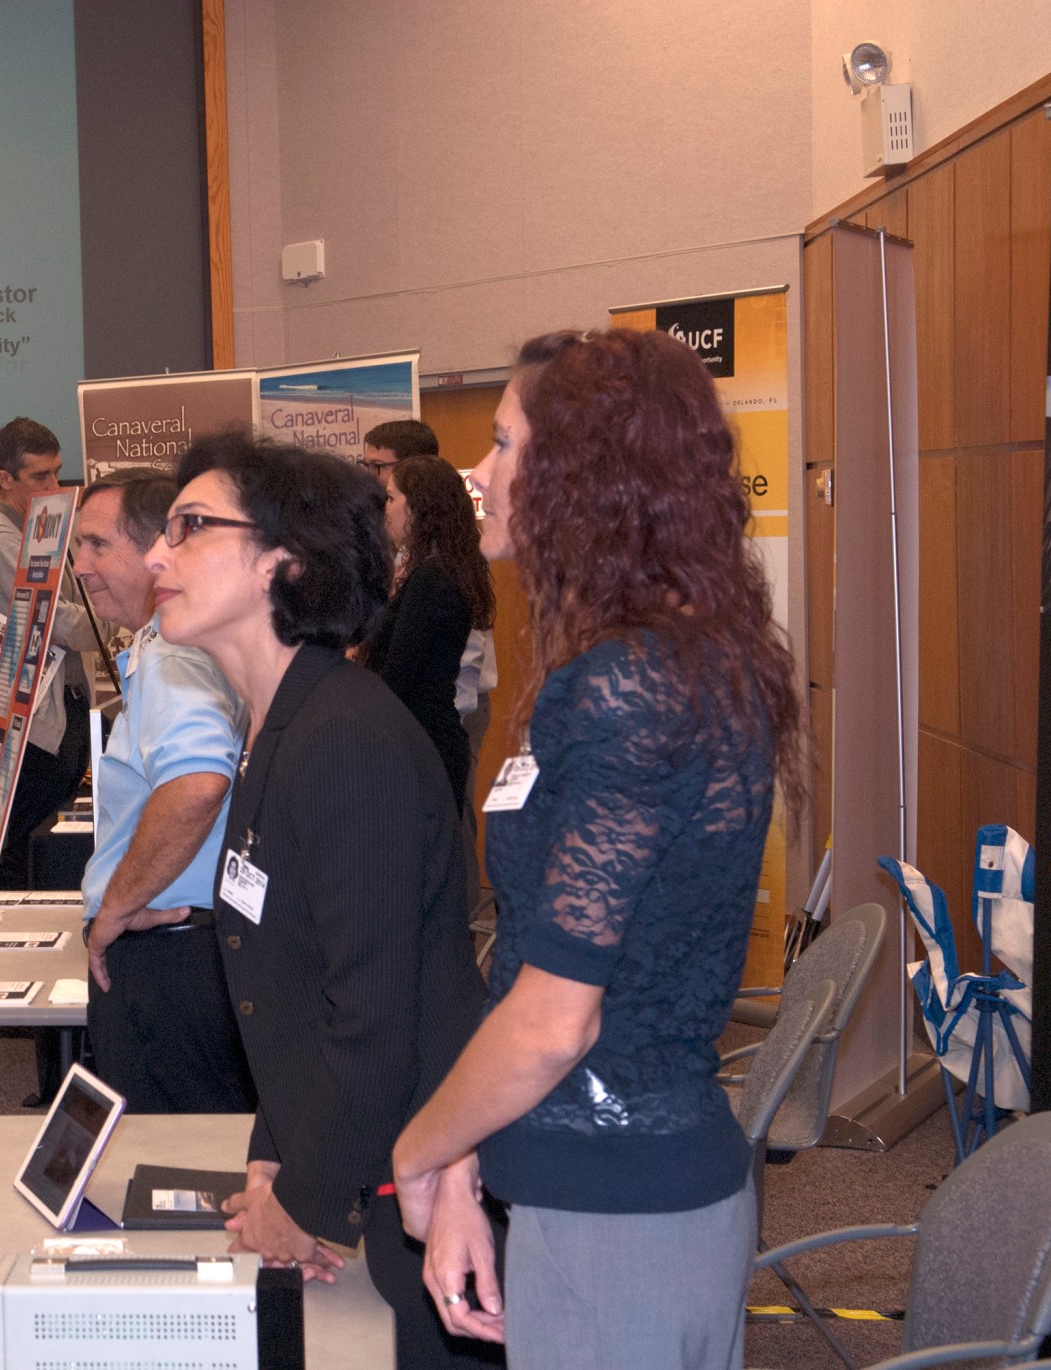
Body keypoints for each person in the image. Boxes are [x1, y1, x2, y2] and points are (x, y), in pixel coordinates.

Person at [390, 329, 802, 1370]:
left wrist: (419, 1152)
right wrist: (469, 1161)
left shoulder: (627, 684)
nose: (477, 473)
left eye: (501, 443)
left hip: (618, 1206)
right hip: (607, 1185)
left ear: (583, 477)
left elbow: (550, 1022)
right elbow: (539, 952)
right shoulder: (663, 662)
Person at [149, 430, 493, 1368]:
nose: (154, 555)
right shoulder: (281, 723)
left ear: (285, 561)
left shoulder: (346, 739)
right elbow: (287, 976)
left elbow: (377, 1014)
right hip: (361, 1166)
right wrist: (276, 1157)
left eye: (189, 527)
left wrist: (300, 1203)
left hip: (418, 1193)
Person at [74, 473, 254, 1115]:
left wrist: (116, 907)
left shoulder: (171, 656)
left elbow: (199, 784)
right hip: (193, 947)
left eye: (98, 546)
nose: (80, 569)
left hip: (167, 957)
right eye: (76, 549)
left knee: (173, 1177)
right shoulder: (184, 644)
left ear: (158, 550)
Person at [0, 417, 99, 887]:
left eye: (57, 473)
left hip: (62, 706)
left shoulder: (43, 530)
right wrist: (116, 602)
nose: (55, 486)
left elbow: (77, 617)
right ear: (6, 479)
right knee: (27, 849)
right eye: (41, 476)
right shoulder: (2, 543)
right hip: (34, 721)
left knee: (46, 842)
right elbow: (74, 625)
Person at [363, 453, 495, 813]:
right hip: (422, 737)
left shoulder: (433, 578)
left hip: (424, 743)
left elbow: (398, 675)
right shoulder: (432, 568)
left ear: (419, 507)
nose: (384, 509)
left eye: (391, 498)